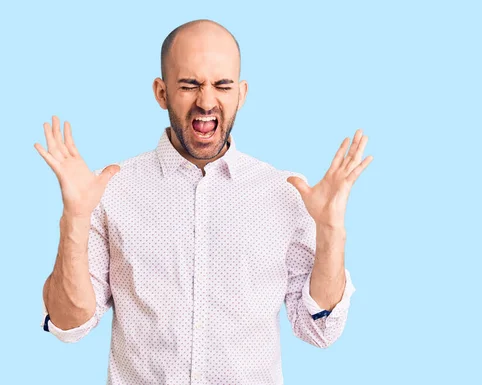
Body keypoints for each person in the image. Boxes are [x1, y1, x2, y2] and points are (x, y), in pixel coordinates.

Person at [35, 19, 373, 385]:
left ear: (241, 93)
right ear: (161, 93)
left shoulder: (286, 194)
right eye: (189, 85)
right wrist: (74, 218)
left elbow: (318, 329)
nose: (206, 101)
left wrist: (331, 231)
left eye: (222, 85)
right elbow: (69, 325)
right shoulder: (110, 192)